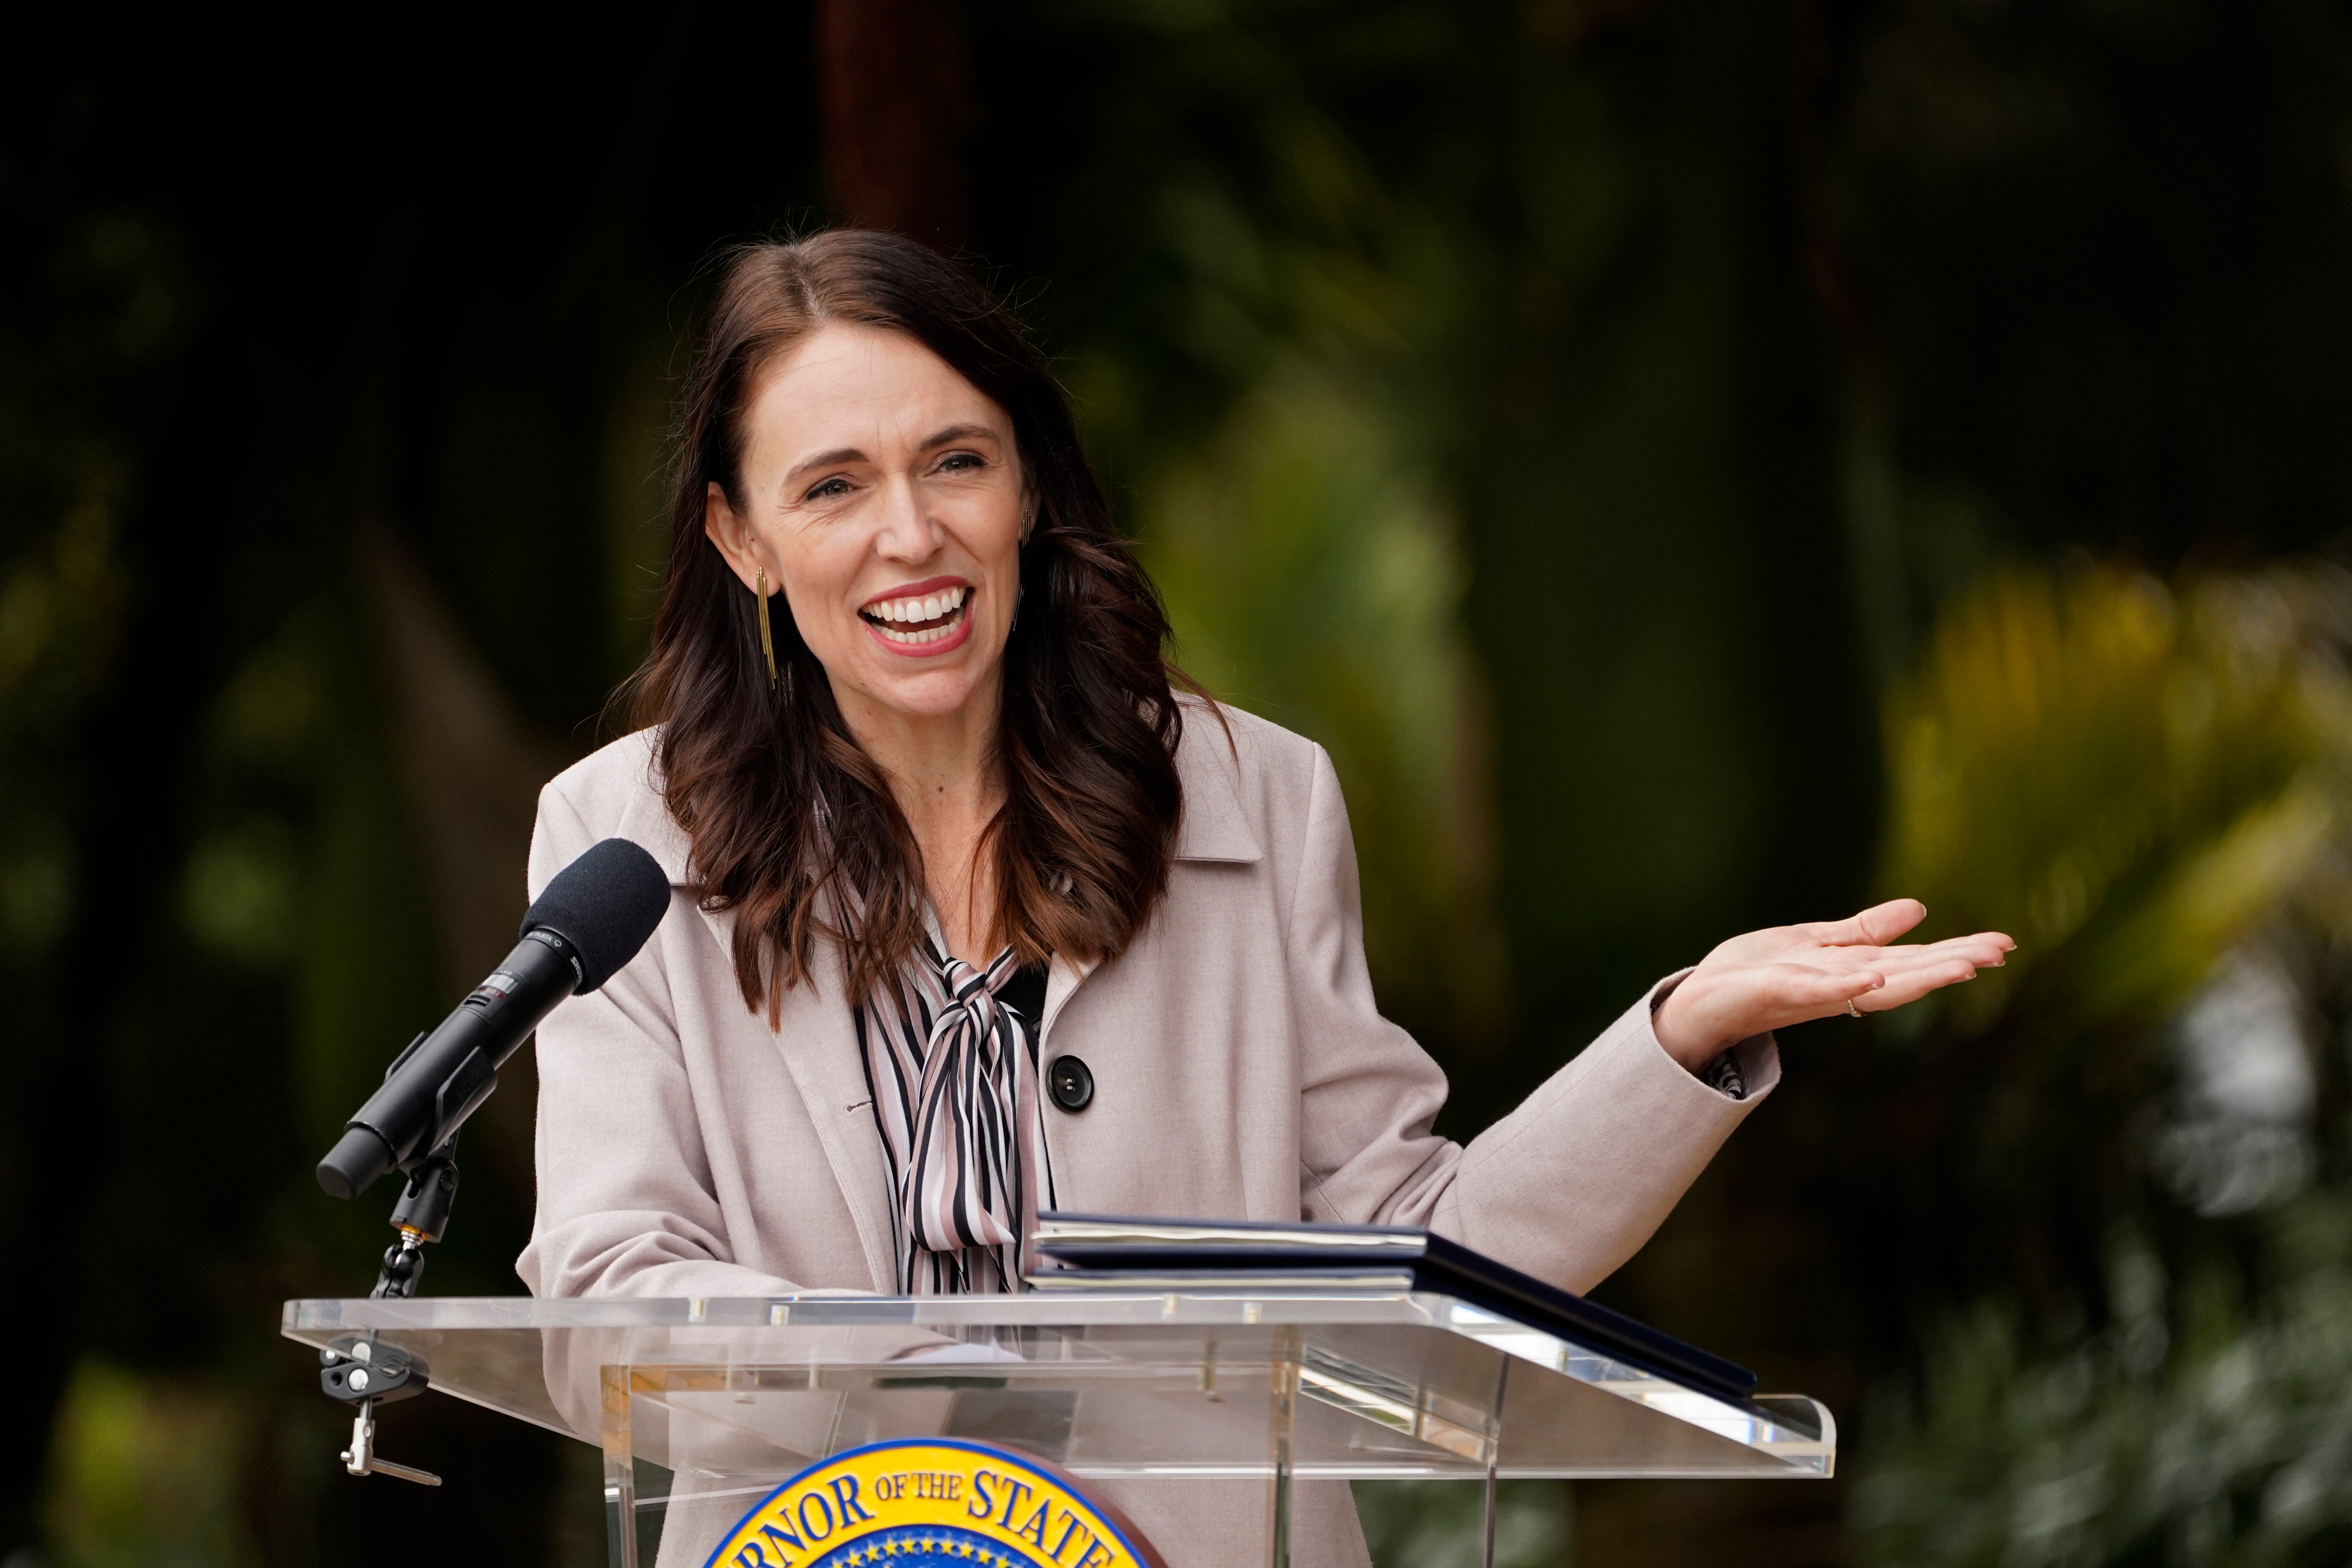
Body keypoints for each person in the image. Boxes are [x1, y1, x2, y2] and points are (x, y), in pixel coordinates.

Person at [518, 229, 2012, 1566]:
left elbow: (1415, 1245)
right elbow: (608, 1292)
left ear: (1027, 483)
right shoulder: (625, 842)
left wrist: (1682, 1034)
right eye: (833, 487)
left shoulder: (1252, 801)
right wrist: (895, 1372)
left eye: (956, 461)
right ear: (741, 541)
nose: (910, 537)